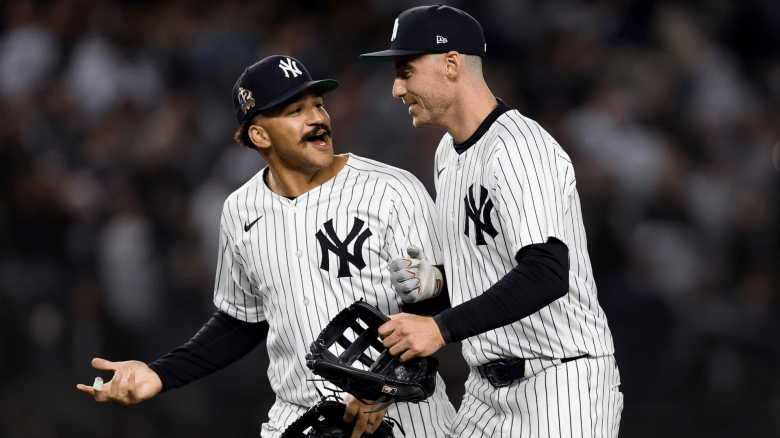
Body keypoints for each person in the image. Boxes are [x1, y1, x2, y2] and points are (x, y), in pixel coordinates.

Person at [76, 55, 456, 438]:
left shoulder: (392, 189)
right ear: (260, 135)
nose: (318, 119)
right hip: (299, 420)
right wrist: (159, 373)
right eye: (296, 110)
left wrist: (380, 383)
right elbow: (240, 321)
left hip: (408, 419)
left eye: (318, 105)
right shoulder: (240, 210)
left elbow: (434, 309)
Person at [360, 5, 623, 438]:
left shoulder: (520, 149)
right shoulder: (447, 154)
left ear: (451, 64)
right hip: (486, 392)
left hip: (560, 382)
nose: (396, 88)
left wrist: (439, 327)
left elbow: (547, 272)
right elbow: (490, 270)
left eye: (405, 70)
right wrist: (438, 284)